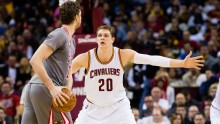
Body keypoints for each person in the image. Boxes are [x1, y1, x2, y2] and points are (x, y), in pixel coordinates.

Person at [70, 25, 204, 124]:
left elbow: (152, 60)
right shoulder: (85, 58)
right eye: (99, 35)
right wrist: (59, 89)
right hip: (93, 108)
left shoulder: (122, 55)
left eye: (105, 35)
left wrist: (181, 63)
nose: (102, 38)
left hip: (118, 108)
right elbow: (65, 73)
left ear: (112, 39)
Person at [21, 1, 81, 124]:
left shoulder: (71, 41)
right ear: (76, 17)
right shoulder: (59, 34)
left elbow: (68, 72)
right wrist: (52, 88)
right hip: (46, 88)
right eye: (80, 15)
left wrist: (67, 90)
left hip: (37, 88)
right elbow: (35, 60)